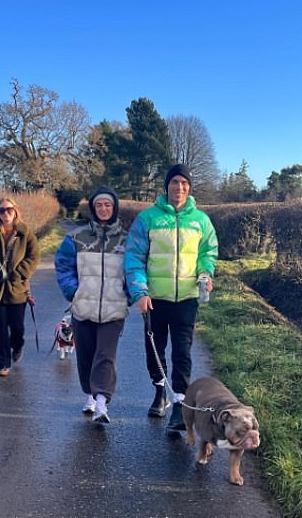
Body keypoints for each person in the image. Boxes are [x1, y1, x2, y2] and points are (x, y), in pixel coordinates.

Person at [124, 163, 218, 435]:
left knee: (182, 353)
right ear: (166, 187)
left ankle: (179, 402)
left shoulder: (201, 221)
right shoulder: (147, 218)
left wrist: (205, 272)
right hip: (154, 299)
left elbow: (208, 252)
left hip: (187, 298)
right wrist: (139, 292)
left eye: (184, 183)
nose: (179, 188)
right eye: (174, 182)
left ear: (190, 188)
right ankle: (159, 393)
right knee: (155, 350)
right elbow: (134, 257)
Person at [55, 186, 129, 424]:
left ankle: (101, 402)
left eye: (108, 205)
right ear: (93, 209)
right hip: (82, 307)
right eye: (99, 205)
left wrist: (127, 294)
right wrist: (73, 291)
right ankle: (89, 393)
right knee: (86, 354)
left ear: (114, 207)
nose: (104, 209)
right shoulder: (76, 238)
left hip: (114, 309)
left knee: (105, 355)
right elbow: (64, 266)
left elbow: (136, 268)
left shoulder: (126, 240)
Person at [0, 198, 40, 377]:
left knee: (17, 327)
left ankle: (18, 345)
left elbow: (34, 256)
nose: (5, 213)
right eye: (1, 210)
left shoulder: (25, 233)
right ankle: (2, 364)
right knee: (0, 328)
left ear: (15, 211)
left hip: (17, 287)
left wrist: (19, 273)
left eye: (9, 209)